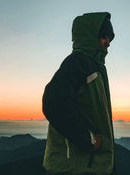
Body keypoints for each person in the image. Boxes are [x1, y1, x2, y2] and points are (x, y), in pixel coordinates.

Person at [42, 12, 116, 175]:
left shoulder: (95, 67)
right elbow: (53, 103)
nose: (108, 42)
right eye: (104, 36)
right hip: (73, 167)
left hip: (88, 165)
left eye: (110, 38)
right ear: (90, 36)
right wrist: (89, 140)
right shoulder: (77, 63)